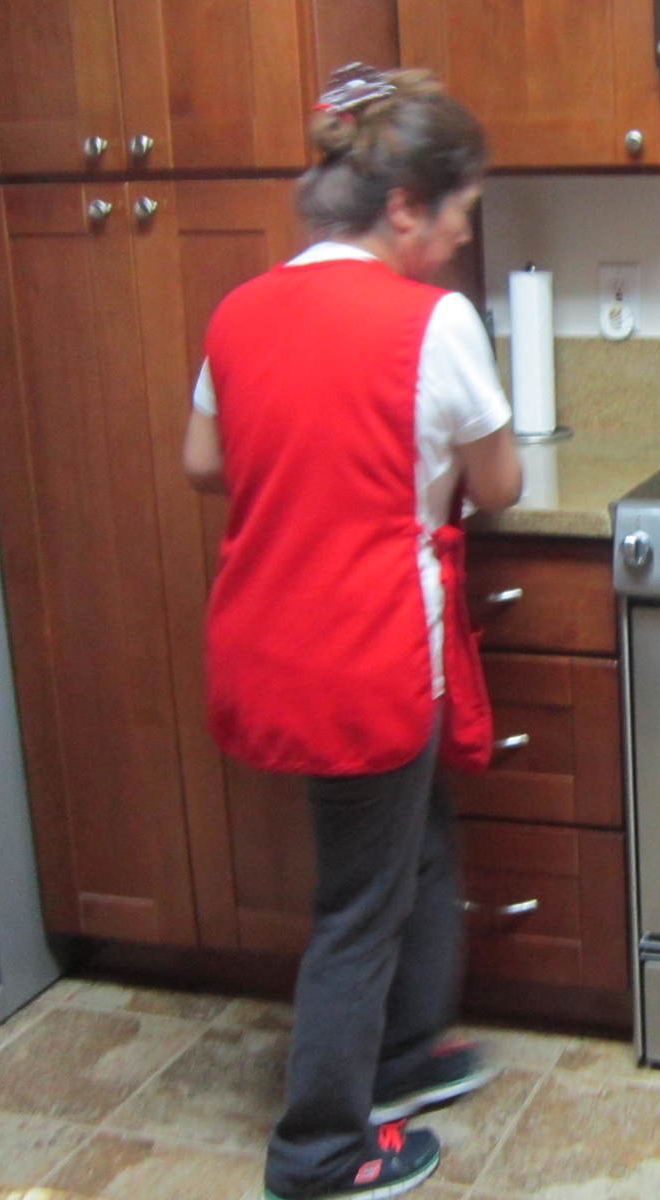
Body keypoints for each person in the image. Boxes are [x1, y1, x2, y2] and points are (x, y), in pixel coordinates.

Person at [182, 64, 523, 1200]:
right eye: (460, 218)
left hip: (271, 641)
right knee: (358, 907)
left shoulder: (242, 308)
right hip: (368, 655)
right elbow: (505, 482)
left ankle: (407, 1052)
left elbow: (203, 463)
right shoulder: (434, 321)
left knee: (416, 847)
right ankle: (321, 1150)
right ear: (404, 207)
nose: (461, 244)